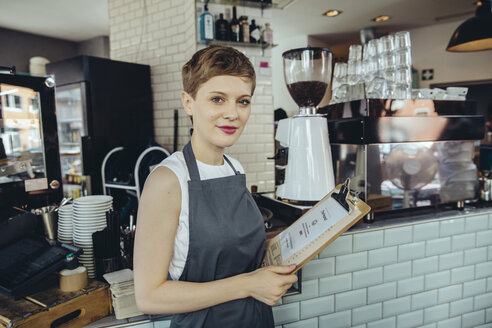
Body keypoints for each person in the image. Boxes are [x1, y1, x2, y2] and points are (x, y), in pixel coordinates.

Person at [133, 45, 298, 327]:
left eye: (243, 101)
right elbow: (149, 296)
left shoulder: (235, 169)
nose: (233, 113)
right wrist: (248, 285)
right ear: (188, 102)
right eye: (218, 99)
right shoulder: (168, 179)